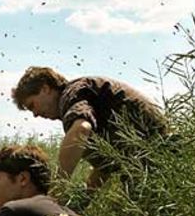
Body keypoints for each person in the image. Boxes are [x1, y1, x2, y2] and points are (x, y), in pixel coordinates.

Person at [11, 66, 169, 201]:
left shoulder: (71, 95)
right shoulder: (84, 98)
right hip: (155, 164)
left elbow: (81, 129)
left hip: (157, 162)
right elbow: (105, 166)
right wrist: (83, 200)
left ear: (45, 89)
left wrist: (57, 190)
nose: (35, 114)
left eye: (32, 105)